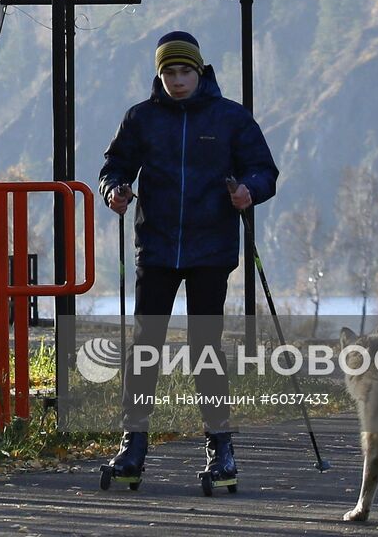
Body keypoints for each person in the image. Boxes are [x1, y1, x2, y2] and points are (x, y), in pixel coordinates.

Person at [98, 31, 279, 490]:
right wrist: (115, 192)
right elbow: (113, 167)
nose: (178, 80)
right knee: (145, 347)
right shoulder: (141, 118)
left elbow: (265, 170)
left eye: (185, 71)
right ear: (159, 75)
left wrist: (248, 191)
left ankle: (222, 449)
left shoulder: (230, 118)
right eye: (169, 72)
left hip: (210, 249)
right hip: (156, 247)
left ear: (200, 72)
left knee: (205, 348)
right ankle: (132, 445)